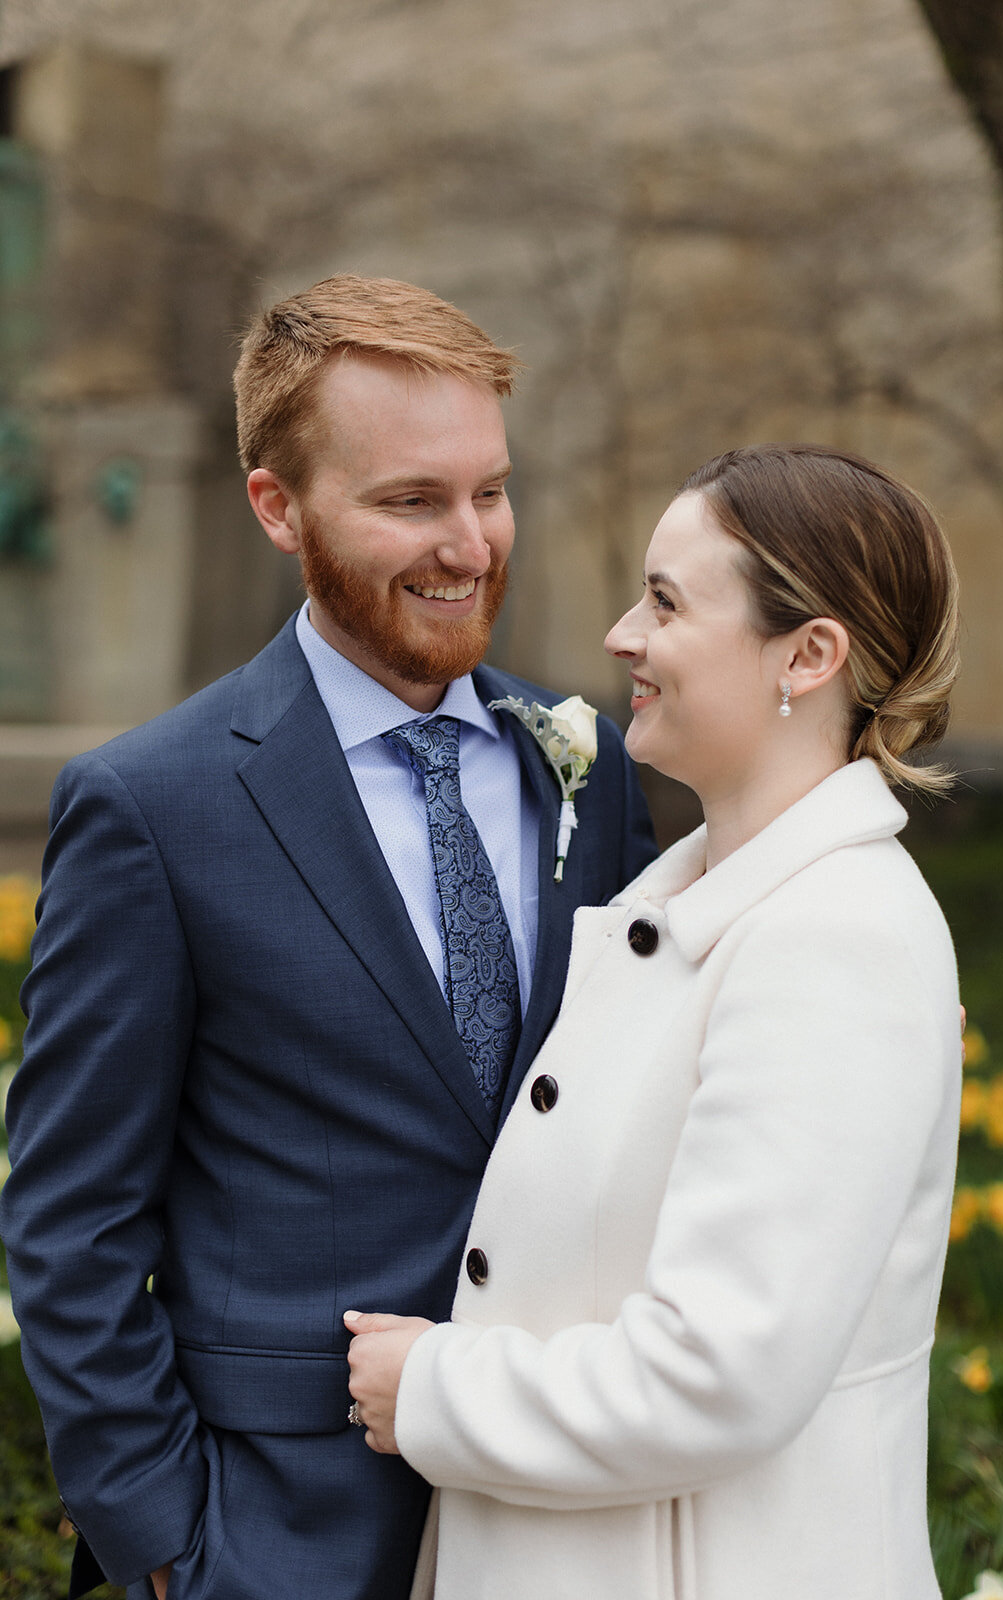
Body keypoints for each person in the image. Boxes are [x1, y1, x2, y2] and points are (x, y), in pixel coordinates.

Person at [0, 274, 656, 1600]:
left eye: (487, 490)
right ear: (277, 507)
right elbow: (68, 1225)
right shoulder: (152, 806)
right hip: (276, 1534)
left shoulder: (590, 765)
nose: (468, 544)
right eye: (410, 501)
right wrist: (171, 1548)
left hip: (556, 1513)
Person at [346, 443, 963, 1600]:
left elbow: (720, 1373)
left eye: (666, 603)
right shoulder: (685, 900)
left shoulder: (835, 937)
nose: (620, 636)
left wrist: (432, 1390)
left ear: (809, 654)